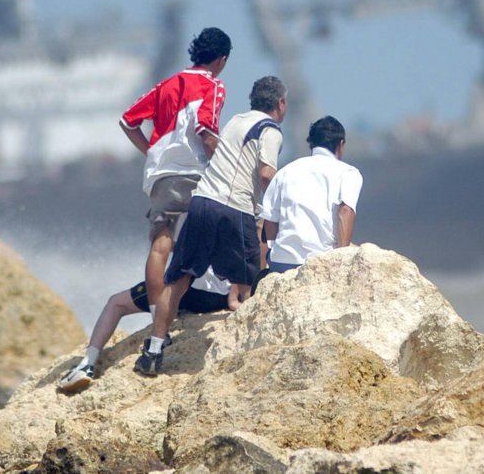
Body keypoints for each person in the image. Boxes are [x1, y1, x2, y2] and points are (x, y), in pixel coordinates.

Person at [134, 76, 287, 376]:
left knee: (178, 278)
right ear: (280, 104)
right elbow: (267, 174)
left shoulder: (234, 121)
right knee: (250, 281)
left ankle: (153, 350)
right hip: (235, 208)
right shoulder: (271, 130)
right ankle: (250, 352)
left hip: (203, 201)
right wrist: (278, 204)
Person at [119, 28, 231, 322]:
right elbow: (206, 132)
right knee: (209, 237)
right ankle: (208, 300)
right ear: (221, 59)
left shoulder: (165, 85)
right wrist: (227, 167)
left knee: (161, 245)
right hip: (194, 172)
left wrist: (151, 153)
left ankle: (158, 315)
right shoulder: (214, 86)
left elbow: (128, 121)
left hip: (160, 174)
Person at [56, 265, 231, 393]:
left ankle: (87, 364)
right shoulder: (249, 218)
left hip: (193, 290)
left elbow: (162, 253)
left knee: (116, 302)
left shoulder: (178, 214)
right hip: (227, 295)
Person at [260, 116, 363, 274]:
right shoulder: (348, 173)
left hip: (282, 263)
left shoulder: (285, 171)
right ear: (341, 144)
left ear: (311, 143)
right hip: (321, 264)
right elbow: (345, 212)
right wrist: (342, 261)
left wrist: (275, 249)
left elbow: (270, 221)